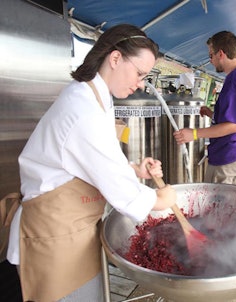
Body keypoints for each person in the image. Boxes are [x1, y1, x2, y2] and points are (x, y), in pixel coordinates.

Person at [7, 24, 177, 302]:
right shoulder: (82, 108)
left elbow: (94, 160)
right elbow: (124, 194)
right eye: (139, 73)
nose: (141, 83)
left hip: (72, 231)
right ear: (115, 58)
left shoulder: (96, 97)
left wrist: (132, 169)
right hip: (52, 240)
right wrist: (162, 199)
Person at [173, 31, 236, 186]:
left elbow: (234, 125)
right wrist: (212, 114)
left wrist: (193, 133)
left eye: (211, 55)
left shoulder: (235, 79)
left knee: (221, 204)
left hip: (230, 155)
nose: (210, 60)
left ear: (221, 53)